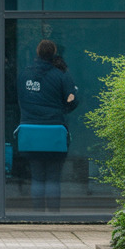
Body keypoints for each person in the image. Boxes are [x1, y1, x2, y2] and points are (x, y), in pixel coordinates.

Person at [15, 39, 79, 212]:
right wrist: (63, 109)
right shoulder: (61, 74)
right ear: (54, 53)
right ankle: (53, 215)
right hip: (54, 133)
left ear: (37, 52)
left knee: (37, 177)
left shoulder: (24, 74)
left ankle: (37, 214)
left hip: (30, 133)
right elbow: (72, 99)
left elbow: (18, 98)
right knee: (53, 178)